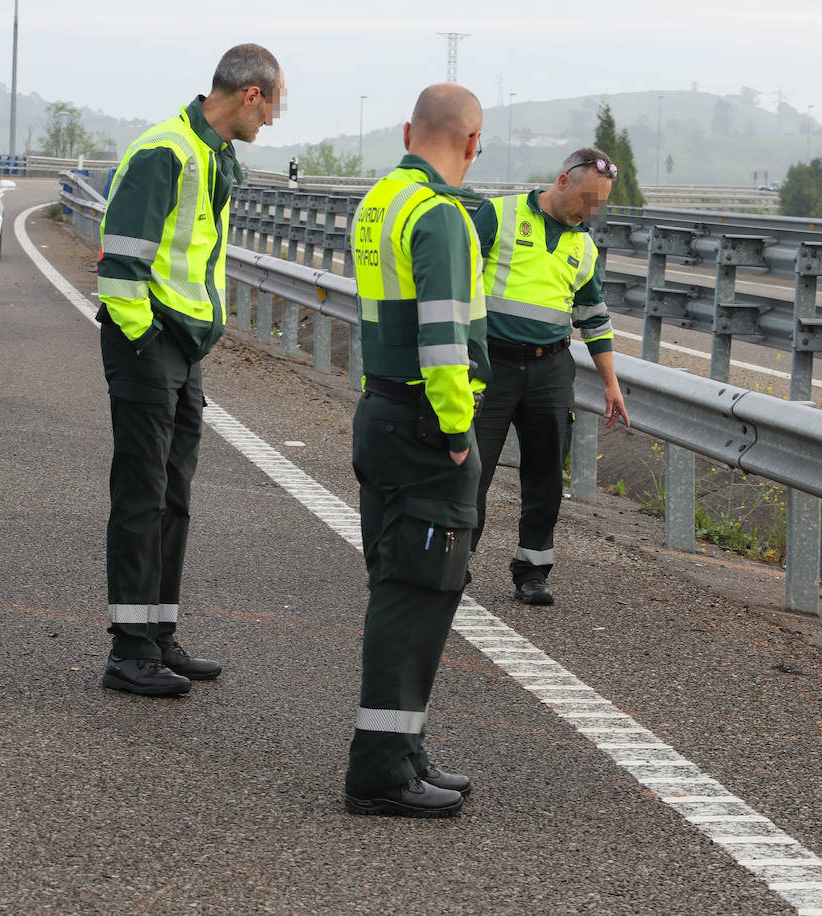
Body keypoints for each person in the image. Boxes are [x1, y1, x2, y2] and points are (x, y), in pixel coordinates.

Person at [94, 44, 284, 698]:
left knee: (174, 491)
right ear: (250, 94)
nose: (269, 126)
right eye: (271, 109)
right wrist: (146, 340)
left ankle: (159, 633)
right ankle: (129, 648)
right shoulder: (168, 151)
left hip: (181, 344)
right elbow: (119, 266)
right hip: (149, 339)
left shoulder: (209, 155)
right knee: (143, 490)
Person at [343, 84, 489, 818]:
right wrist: (460, 435)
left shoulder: (379, 201)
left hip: (383, 412)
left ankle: (403, 751)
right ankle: (380, 772)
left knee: (400, 580)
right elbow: (444, 341)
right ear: (470, 142)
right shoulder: (440, 217)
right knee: (417, 592)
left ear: (409, 130)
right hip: (426, 425)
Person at [470, 147, 631, 606]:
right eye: (587, 198)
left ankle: (532, 570)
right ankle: (454, 562)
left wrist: (611, 382)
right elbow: (459, 279)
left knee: (545, 475)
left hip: (550, 368)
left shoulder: (583, 245)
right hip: (491, 365)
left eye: (600, 203)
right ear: (563, 182)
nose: (592, 211)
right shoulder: (497, 214)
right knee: (471, 468)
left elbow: (593, 317)